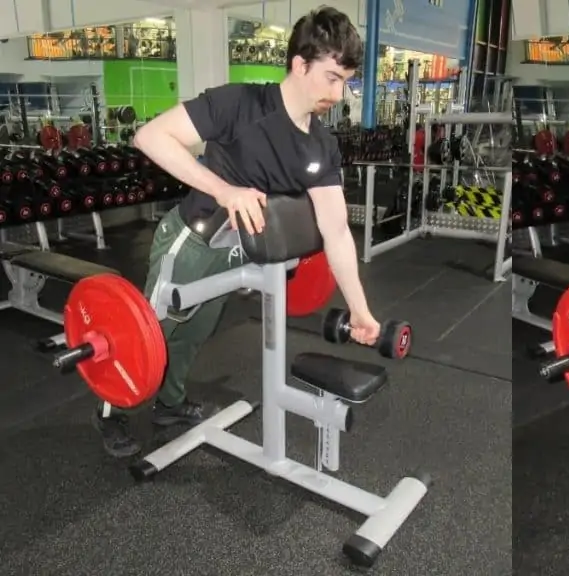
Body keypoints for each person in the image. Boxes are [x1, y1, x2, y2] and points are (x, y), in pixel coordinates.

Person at [93, 7, 381, 458]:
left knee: (194, 334)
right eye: (330, 77)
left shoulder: (322, 145)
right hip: (193, 240)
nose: (338, 93)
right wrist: (224, 190)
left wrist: (360, 310)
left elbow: (337, 230)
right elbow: (150, 138)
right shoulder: (240, 104)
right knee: (149, 333)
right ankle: (112, 410)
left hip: (236, 254)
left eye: (344, 81)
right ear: (299, 65)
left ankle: (168, 405)